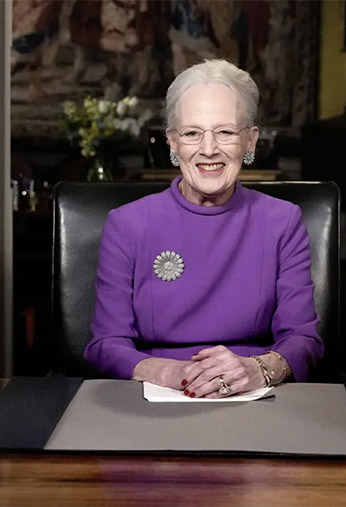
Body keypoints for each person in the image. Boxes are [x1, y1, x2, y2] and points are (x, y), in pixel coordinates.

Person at [84, 59, 323, 398]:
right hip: (154, 397)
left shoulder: (283, 221)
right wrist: (171, 372)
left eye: (225, 132)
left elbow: (304, 340)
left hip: (253, 398)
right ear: (172, 142)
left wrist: (258, 369)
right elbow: (105, 344)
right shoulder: (127, 224)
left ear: (250, 141)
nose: (208, 149)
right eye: (192, 133)